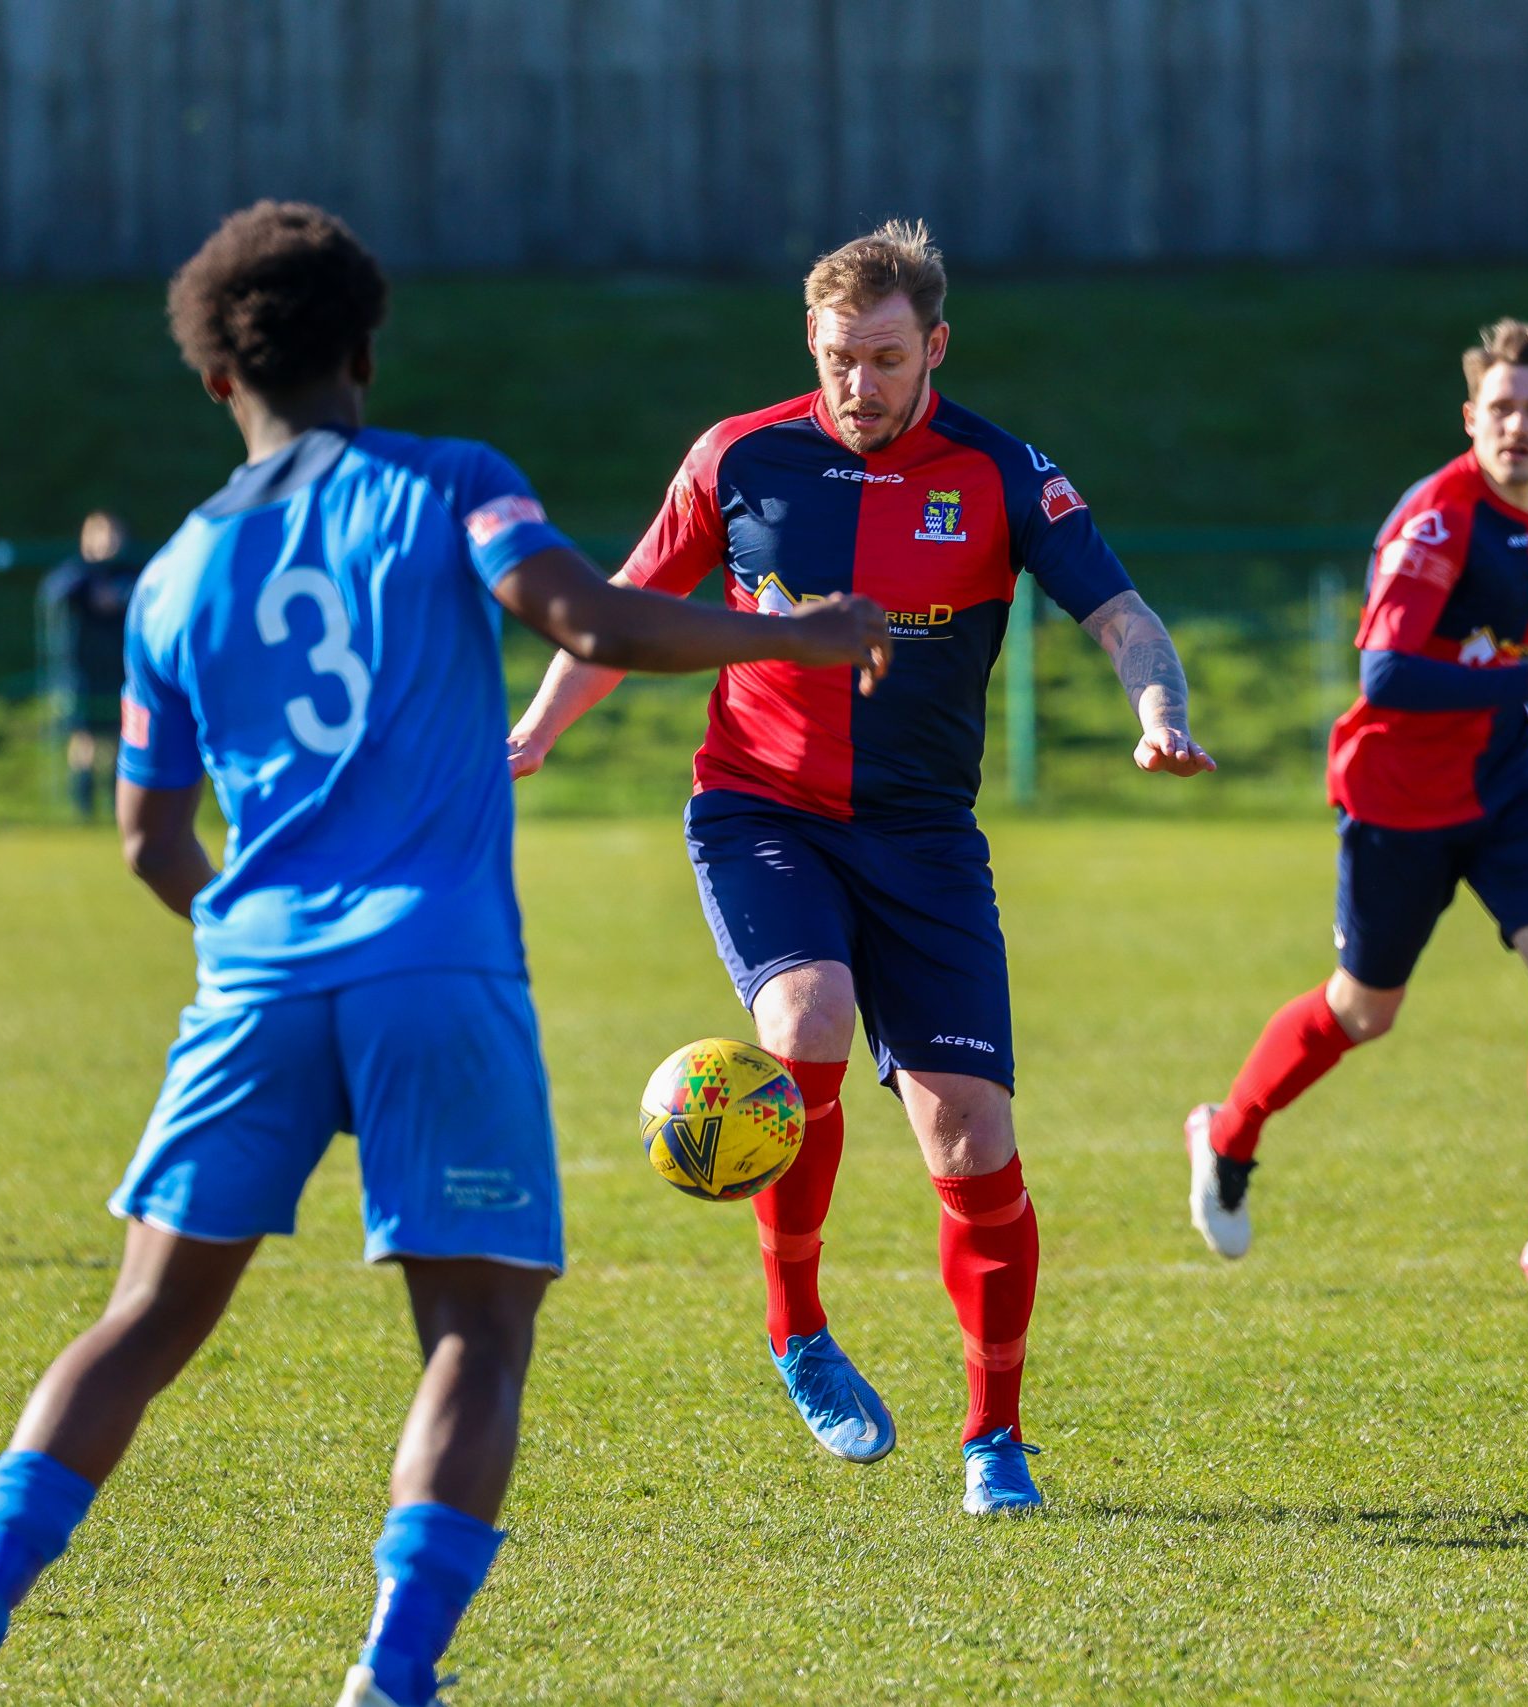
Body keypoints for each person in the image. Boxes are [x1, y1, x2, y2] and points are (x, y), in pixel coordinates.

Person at [0, 200, 889, 1707]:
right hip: (436, 965)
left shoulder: (172, 574)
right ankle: (391, 1672)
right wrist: (799, 636)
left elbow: (149, 841)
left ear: (217, 379)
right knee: (475, 1328)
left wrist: (262, 946)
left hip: (256, 977)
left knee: (145, 1314)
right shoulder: (450, 483)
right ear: (364, 351)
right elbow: (589, 623)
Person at [508, 219, 1214, 1517]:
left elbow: (1121, 616)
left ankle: (994, 1437)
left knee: (972, 1139)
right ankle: (797, 1326)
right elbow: (619, 607)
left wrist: (1158, 709)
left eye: (886, 358)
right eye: (839, 356)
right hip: (761, 808)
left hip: (924, 836)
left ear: (935, 347)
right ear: (810, 343)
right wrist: (534, 734)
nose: (859, 383)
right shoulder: (739, 456)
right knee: (807, 1016)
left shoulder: (1000, 472)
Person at [1183, 320, 1528, 1291]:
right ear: (1470, 417)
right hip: (1397, 797)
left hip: (1501, 784)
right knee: (1363, 1011)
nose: (1517, 425)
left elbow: (1494, 648)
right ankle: (1226, 1132)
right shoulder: (1436, 518)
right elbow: (1388, 672)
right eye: (1501, 407)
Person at [39, 510, 144, 818]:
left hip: (121, 669)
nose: (107, 541)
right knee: (84, 736)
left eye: (112, 534)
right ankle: (83, 808)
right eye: (99, 534)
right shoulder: (76, 574)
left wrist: (117, 596)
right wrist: (90, 574)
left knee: (119, 737)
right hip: (83, 670)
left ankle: (117, 804)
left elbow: (142, 594)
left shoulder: (131, 573)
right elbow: (53, 592)